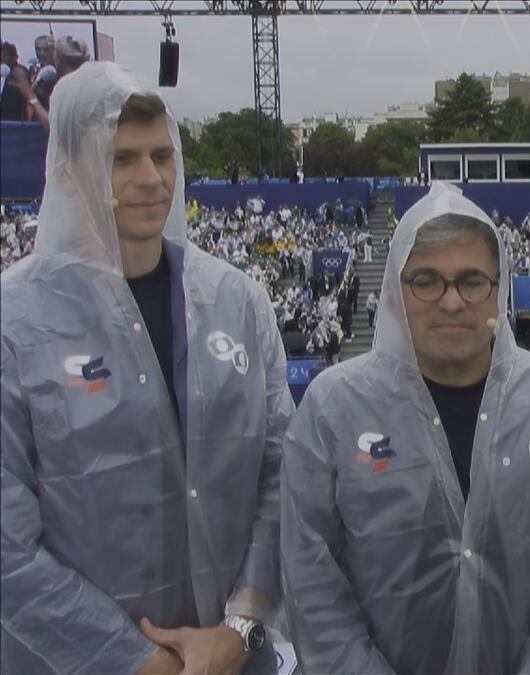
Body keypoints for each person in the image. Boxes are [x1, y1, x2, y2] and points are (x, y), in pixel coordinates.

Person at [0, 63, 292, 674]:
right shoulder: (14, 323)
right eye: (120, 158)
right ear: (67, 172)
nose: (151, 178)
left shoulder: (236, 302)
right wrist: (133, 661)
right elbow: (7, 548)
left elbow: (283, 478)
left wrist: (240, 627)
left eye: (162, 155)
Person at [281, 183, 530, 674]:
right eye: (426, 280)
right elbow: (310, 575)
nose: (451, 302)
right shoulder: (333, 409)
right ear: (396, 292)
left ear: (499, 287)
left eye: (471, 281)